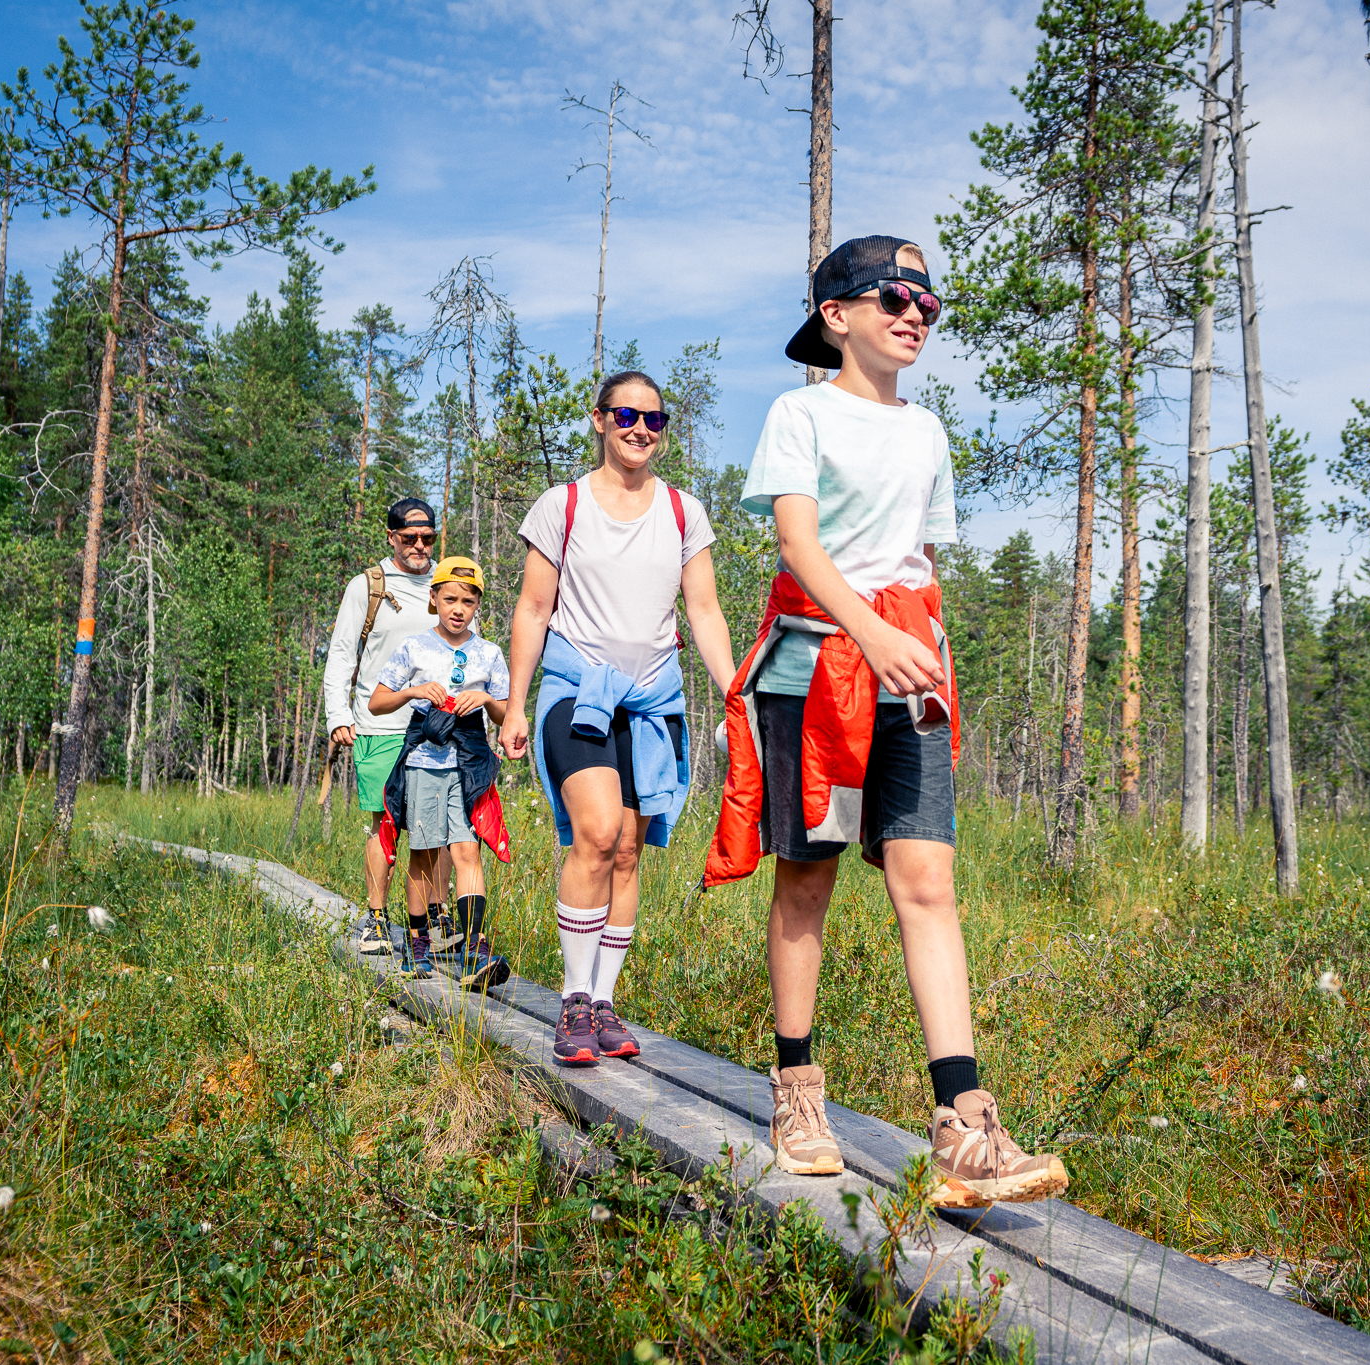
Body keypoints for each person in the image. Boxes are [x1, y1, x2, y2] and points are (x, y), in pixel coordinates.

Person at [707, 236, 1067, 1208]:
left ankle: (964, 1124)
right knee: (807, 878)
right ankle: (796, 1091)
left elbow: (917, 560)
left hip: (907, 663)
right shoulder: (801, 413)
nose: (914, 315)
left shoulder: (927, 431)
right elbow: (797, 543)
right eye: (893, 297)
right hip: (812, 660)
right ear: (837, 316)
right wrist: (868, 634)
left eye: (927, 304)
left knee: (927, 881)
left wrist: (927, 653)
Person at [500, 370, 736, 1067]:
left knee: (629, 850)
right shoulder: (563, 504)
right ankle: (573, 999)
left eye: (653, 419)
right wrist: (514, 703)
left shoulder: (685, 512)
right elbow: (533, 608)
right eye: (626, 415)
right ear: (600, 419)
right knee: (598, 832)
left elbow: (703, 611)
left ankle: (604, 1003)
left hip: (651, 700)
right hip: (577, 690)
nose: (640, 429)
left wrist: (733, 691)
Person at [368, 556, 510, 985]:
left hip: (468, 764)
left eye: (468, 601)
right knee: (425, 854)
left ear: (478, 604)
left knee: (468, 852)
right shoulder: (414, 647)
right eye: (449, 599)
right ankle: (418, 946)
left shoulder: (489, 654)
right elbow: (377, 702)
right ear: (434, 598)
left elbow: (505, 713)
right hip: (424, 763)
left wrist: (486, 700)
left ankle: (475, 948)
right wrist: (414, 691)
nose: (458, 609)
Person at [324, 497, 439, 953]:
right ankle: (375, 920)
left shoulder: (446, 583)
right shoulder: (368, 585)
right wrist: (338, 715)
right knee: (385, 823)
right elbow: (341, 652)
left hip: (436, 727)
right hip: (381, 724)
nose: (419, 546)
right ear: (391, 537)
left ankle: (430, 924)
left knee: (434, 827)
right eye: (409, 537)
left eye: (427, 538)